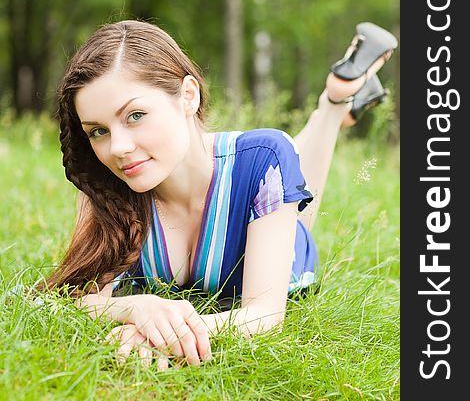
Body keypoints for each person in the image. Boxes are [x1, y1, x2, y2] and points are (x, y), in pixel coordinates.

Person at [35, 19, 397, 370]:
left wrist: (160, 334)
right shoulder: (107, 184)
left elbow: (265, 316)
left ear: (188, 96)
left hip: (272, 212)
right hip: (245, 173)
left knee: (285, 177)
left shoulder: (263, 160)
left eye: (135, 115)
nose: (119, 148)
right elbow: (62, 301)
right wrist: (136, 309)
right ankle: (341, 101)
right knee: (275, 167)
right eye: (98, 131)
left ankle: (334, 102)